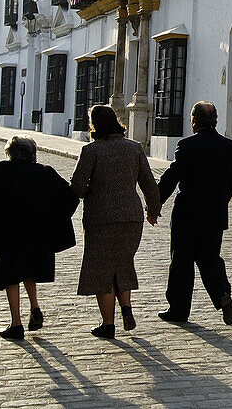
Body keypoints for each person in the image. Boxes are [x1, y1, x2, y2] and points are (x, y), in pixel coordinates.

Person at [70, 105, 160, 339]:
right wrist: (153, 209)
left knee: (102, 269)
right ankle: (127, 308)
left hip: (100, 218)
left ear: (95, 125)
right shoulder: (135, 148)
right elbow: (149, 183)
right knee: (122, 262)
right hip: (131, 216)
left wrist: (91, 191)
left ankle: (108, 323)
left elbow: (78, 187)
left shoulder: (91, 151)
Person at [0, 136, 78, 340]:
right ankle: (35, 307)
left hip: (8, 233)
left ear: (11, 153)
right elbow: (70, 197)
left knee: (10, 276)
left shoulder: (0, 170)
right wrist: (53, 220)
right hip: (36, 234)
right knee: (29, 271)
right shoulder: (44, 172)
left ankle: (16, 323)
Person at [156, 101, 232, 325]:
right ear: (215, 121)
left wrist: (155, 204)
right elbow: (229, 185)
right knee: (211, 259)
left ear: (194, 122)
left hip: (187, 216)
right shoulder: (230, 148)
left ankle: (179, 309)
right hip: (215, 215)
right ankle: (222, 294)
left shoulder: (187, 146)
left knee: (181, 263)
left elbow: (171, 178)